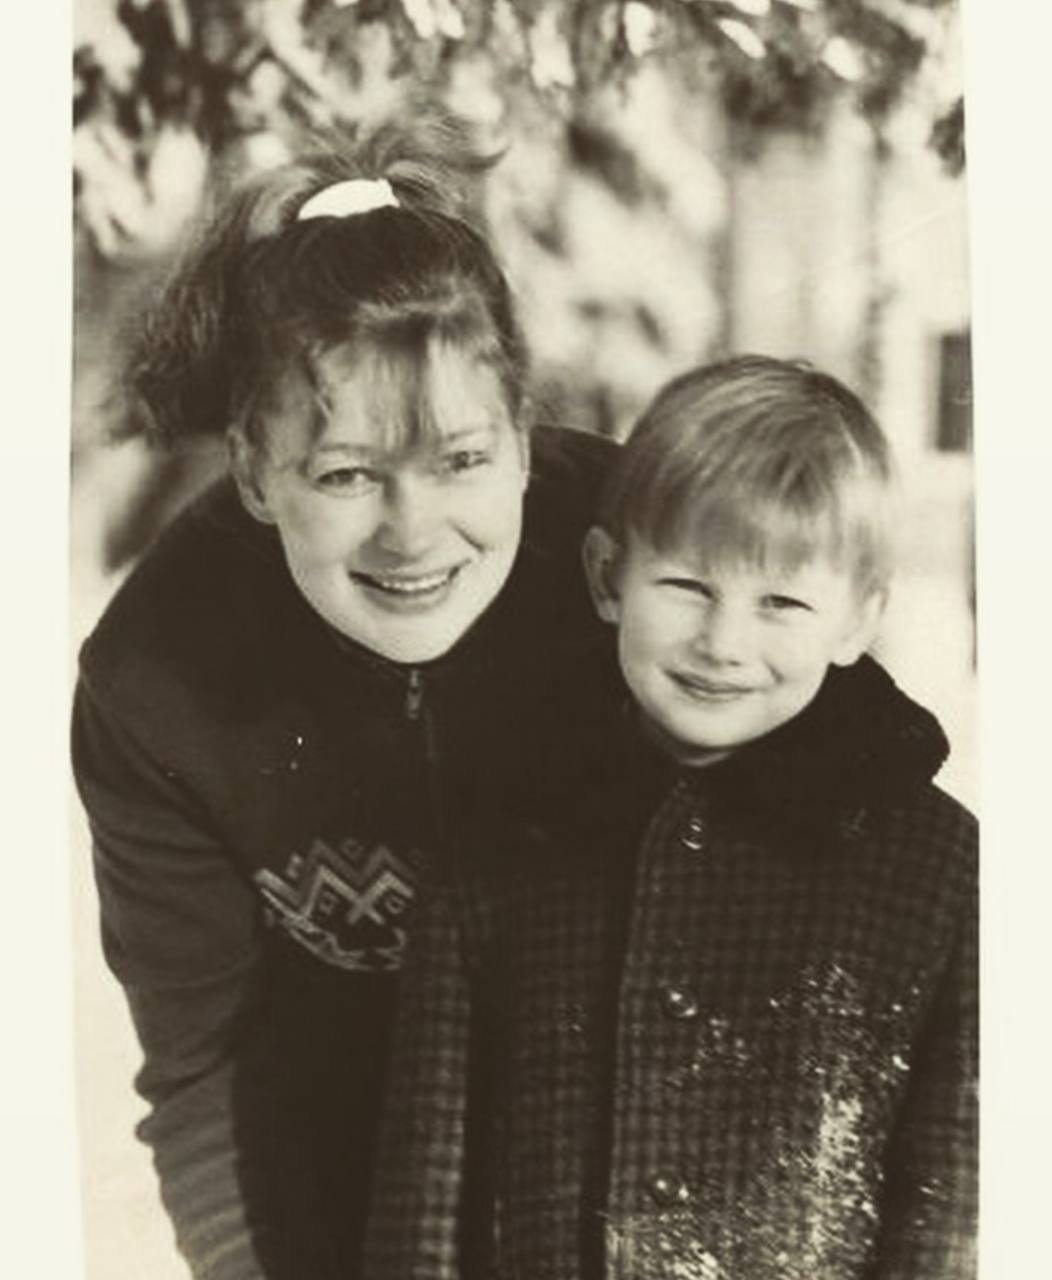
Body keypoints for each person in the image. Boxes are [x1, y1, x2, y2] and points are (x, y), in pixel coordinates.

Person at [70, 102, 614, 1280]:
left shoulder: (638, 554)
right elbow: (198, 1063)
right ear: (254, 472)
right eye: (347, 473)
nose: (412, 532)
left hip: (634, 1167)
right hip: (347, 1200)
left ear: (523, 437)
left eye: (461, 460)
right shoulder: (157, 679)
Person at [363, 355, 978, 1279]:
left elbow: (954, 1210)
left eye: (781, 602)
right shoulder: (498, 837)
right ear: (608, 576)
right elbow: (422, 1199)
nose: (723, 643)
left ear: (857, 619)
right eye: (687, 586)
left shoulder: (942, 871)